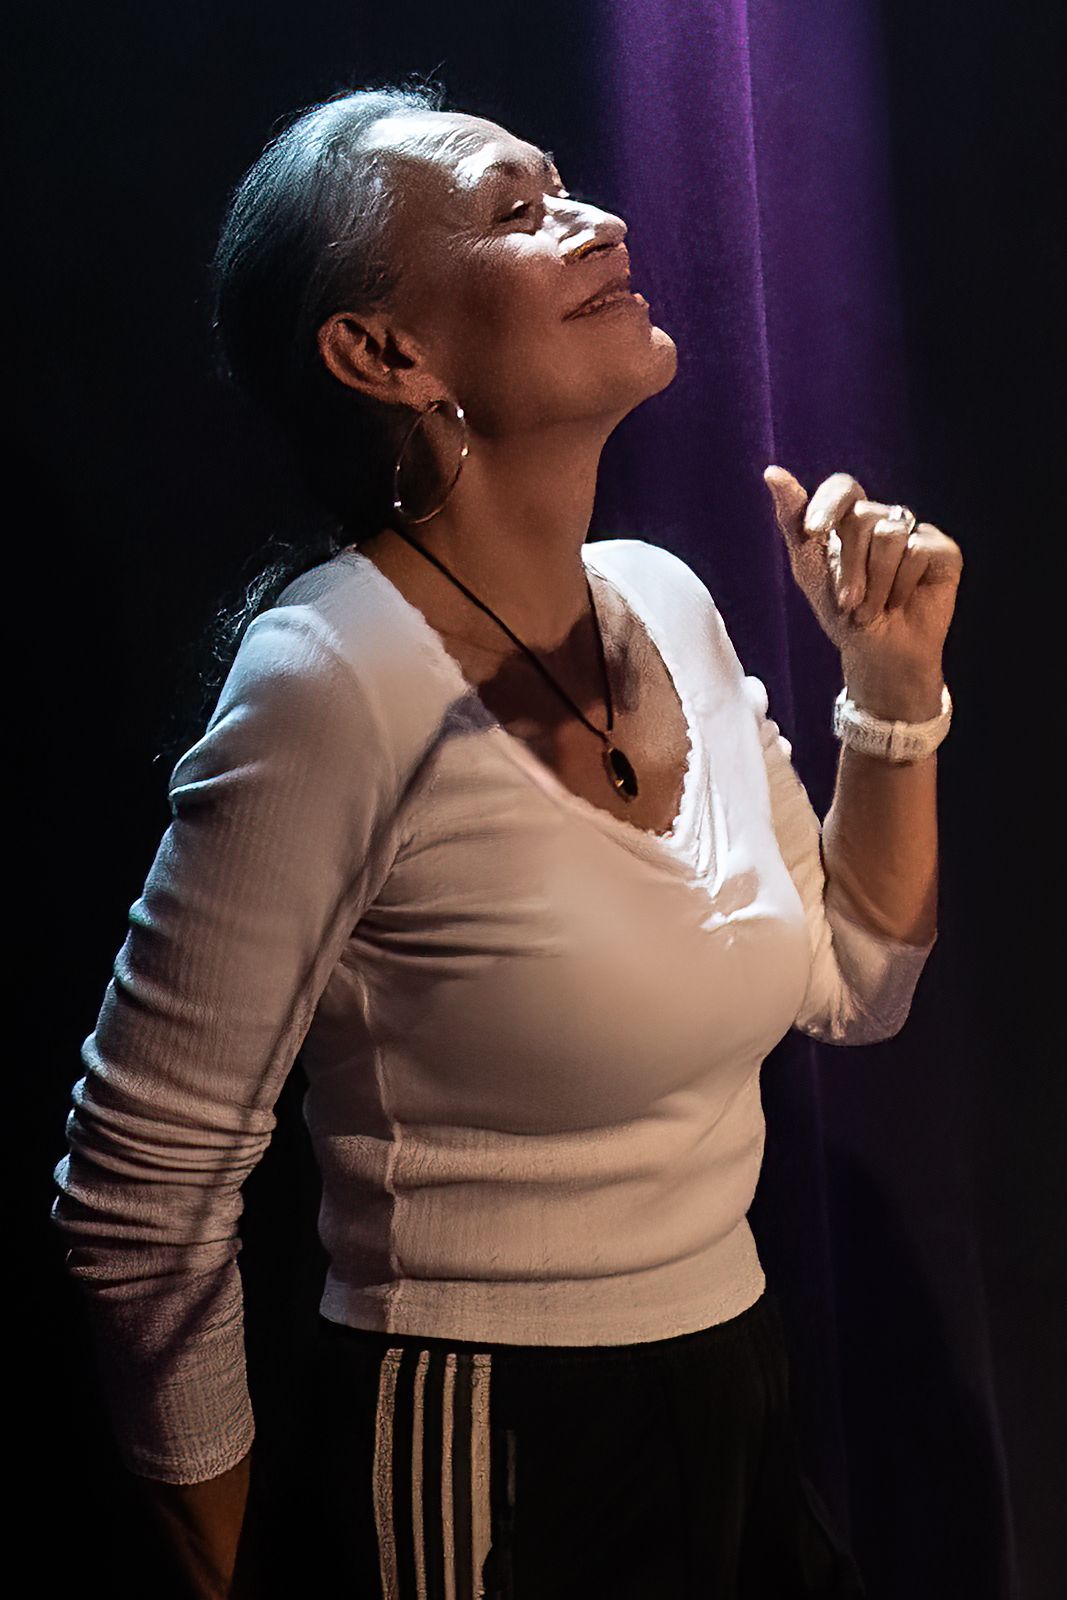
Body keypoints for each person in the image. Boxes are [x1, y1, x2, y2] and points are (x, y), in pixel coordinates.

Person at [50, 79, 961, 1600]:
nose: (598, 223)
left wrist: (893, 693)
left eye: (567, 186)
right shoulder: (332, 678)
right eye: (516, 211)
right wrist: (226, 1567)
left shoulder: (665, 597)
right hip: (483, 1446)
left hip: (735, 1397)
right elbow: (138, 1201)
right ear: (385, 353)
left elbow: (854, 983)